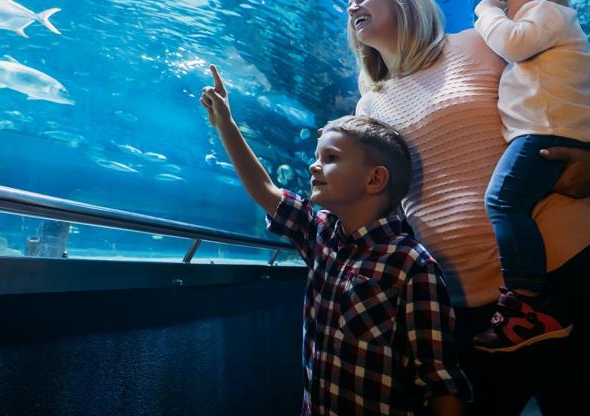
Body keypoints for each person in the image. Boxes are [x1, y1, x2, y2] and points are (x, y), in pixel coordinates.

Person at [348, 0, 590, 416]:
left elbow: (577, 91)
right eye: (350, 1)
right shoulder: (368, 106)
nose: (352, 6)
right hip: (468, 303)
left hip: (570, 270)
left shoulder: (478, 43)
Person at [200, 65, 472, 416]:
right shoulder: (320, 234)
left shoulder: (411, 266)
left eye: (330, 158)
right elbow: (265, 191)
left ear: (375, 179)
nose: (314, 167)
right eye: (317, 157)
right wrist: (226, 123)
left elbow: (440, 381)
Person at [471, 0, 590, 352]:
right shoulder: (547, 25)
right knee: (513, 201)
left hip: (547, 129)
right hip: (551, 126)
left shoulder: (547, 12)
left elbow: (513, 44)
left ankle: (528, 304)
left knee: (502, 200)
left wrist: (484, 12)